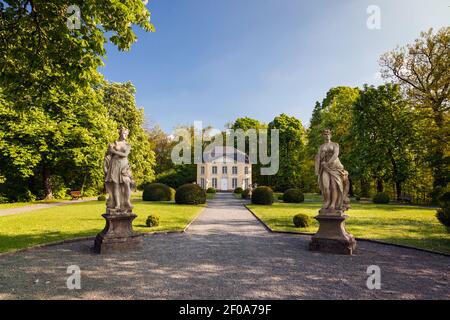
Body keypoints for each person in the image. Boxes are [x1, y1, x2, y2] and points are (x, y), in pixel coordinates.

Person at [315, 129, 350, 211]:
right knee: (326, 186)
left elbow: (335, 155)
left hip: (335, 166)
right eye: (325, 134)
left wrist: (328, 163)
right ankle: (327, 201)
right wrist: (317, 168)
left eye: (328, 134)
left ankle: (333, 203)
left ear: (330, 135)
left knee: (334, 186)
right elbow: (318, 158)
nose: (327, 135)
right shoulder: (321, 147)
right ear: (323, 136)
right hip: (325, 168)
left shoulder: (335, 144)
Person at [104, 127, 133, 213]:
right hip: (115, 165)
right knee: (115, 185)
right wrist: (110, 151)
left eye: (126, 134)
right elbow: (108, 154)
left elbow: (125, 154)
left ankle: (127, 202)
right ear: (120, 133)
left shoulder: (127, 145)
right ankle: (117, 204)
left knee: (126, 183)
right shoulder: (114, 143)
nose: (125, 135)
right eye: (124, 133)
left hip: (124, 165)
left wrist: (114, 151)